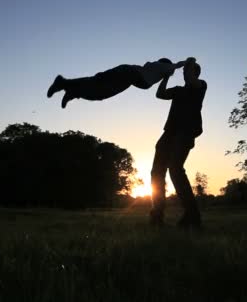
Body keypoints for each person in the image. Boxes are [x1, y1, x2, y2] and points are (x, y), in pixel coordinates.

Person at [149, 57, 207, 230]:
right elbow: (159, 94)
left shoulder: (201, 86)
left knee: (175, 169)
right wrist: (166, 76)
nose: (183, 75)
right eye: (183, 73)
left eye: (187, 72)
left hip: (186, 133)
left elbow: (194, 81)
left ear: (194, 73)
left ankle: (192, 216)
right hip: (169, 134)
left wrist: (188, 62)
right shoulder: (178, 90)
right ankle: (157, 216)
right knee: (157, 171)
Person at [47, 58, 187, 108]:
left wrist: (165, 77)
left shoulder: (153, 68)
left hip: (126, 71)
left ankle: (72, 90)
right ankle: (65, 84)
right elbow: (178, 64)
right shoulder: (165, 66)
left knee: (97, 83)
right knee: (101, 91)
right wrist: (188, 62)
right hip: (128, 75)